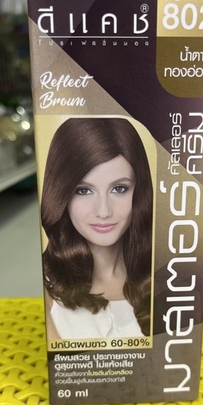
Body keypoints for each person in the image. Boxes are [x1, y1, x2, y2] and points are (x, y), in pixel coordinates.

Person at [40, 117, 153, 340]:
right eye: (83, 191)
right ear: (61, 194)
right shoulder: (45, 284)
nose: (103, 211)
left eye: (119, 189)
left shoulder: (167, 274)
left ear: (139, 191)